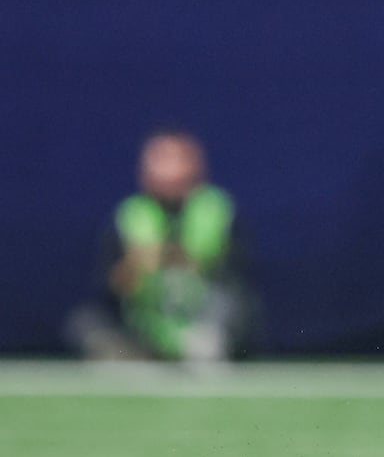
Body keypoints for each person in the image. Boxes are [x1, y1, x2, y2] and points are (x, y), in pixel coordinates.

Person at [64, 129, 256, 363]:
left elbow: (235, 275)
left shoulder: (217, 209)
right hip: (146, 317)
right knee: (85, 323)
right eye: (157, 161)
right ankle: (134, 355)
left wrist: (180, 259)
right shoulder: (131, 213)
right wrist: (135, 266)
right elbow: (110, 286)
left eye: (173, 160)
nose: (165, 171)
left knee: (234, 308)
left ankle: (201, 348)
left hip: (200, 314)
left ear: (193, 166)